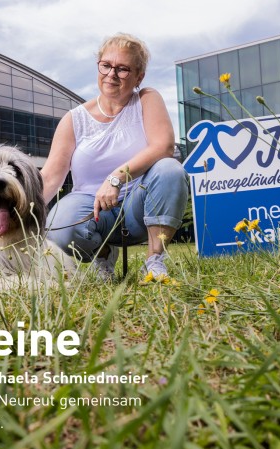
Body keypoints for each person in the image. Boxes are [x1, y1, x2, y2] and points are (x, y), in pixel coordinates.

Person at [41, 33, 188, 281]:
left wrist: (116, 178)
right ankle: (104, 255)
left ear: (139, 76)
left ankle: (154, 262)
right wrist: (16, 209)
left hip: (139, 206)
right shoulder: (74, 119)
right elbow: (50, 176)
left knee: (170, 169)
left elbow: (164, 146)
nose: (111, 74)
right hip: (92, 210)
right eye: (106, 65)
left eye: (122, 69)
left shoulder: (146, 99)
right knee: (57, 227)